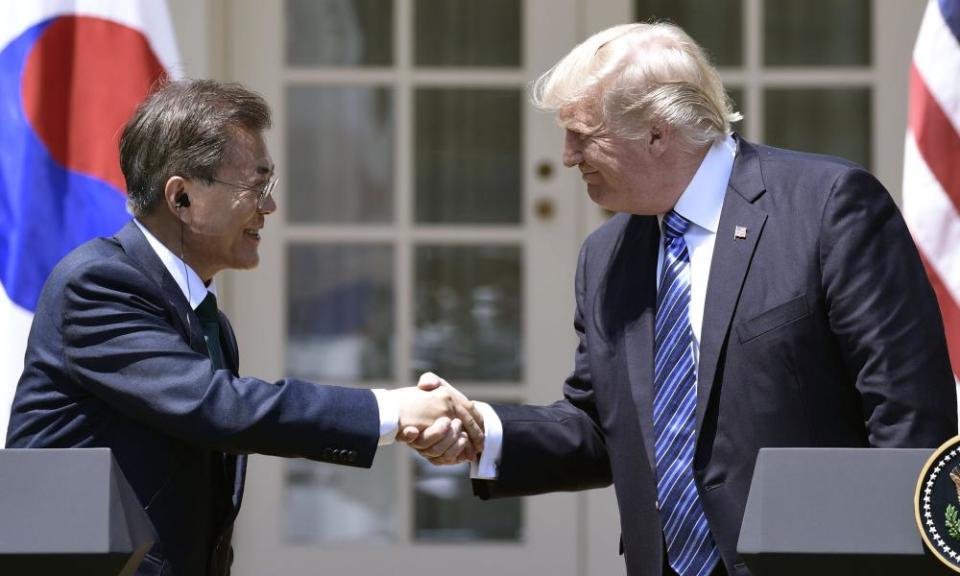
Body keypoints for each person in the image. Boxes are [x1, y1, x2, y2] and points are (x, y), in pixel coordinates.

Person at [410, 22, 958, 576]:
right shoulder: (606, 255)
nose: (567, 156)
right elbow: (601, 427)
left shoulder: (827, 208)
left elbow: (910, 416)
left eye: (583, 134)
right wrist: (482, 429)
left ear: (656, 133)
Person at [5, 79, 482, 576]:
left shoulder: (208, 320)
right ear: (182, 197)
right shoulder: (99, 283)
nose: (269, 207)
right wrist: (390, 410)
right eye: (256, 186)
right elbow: (219, 407)